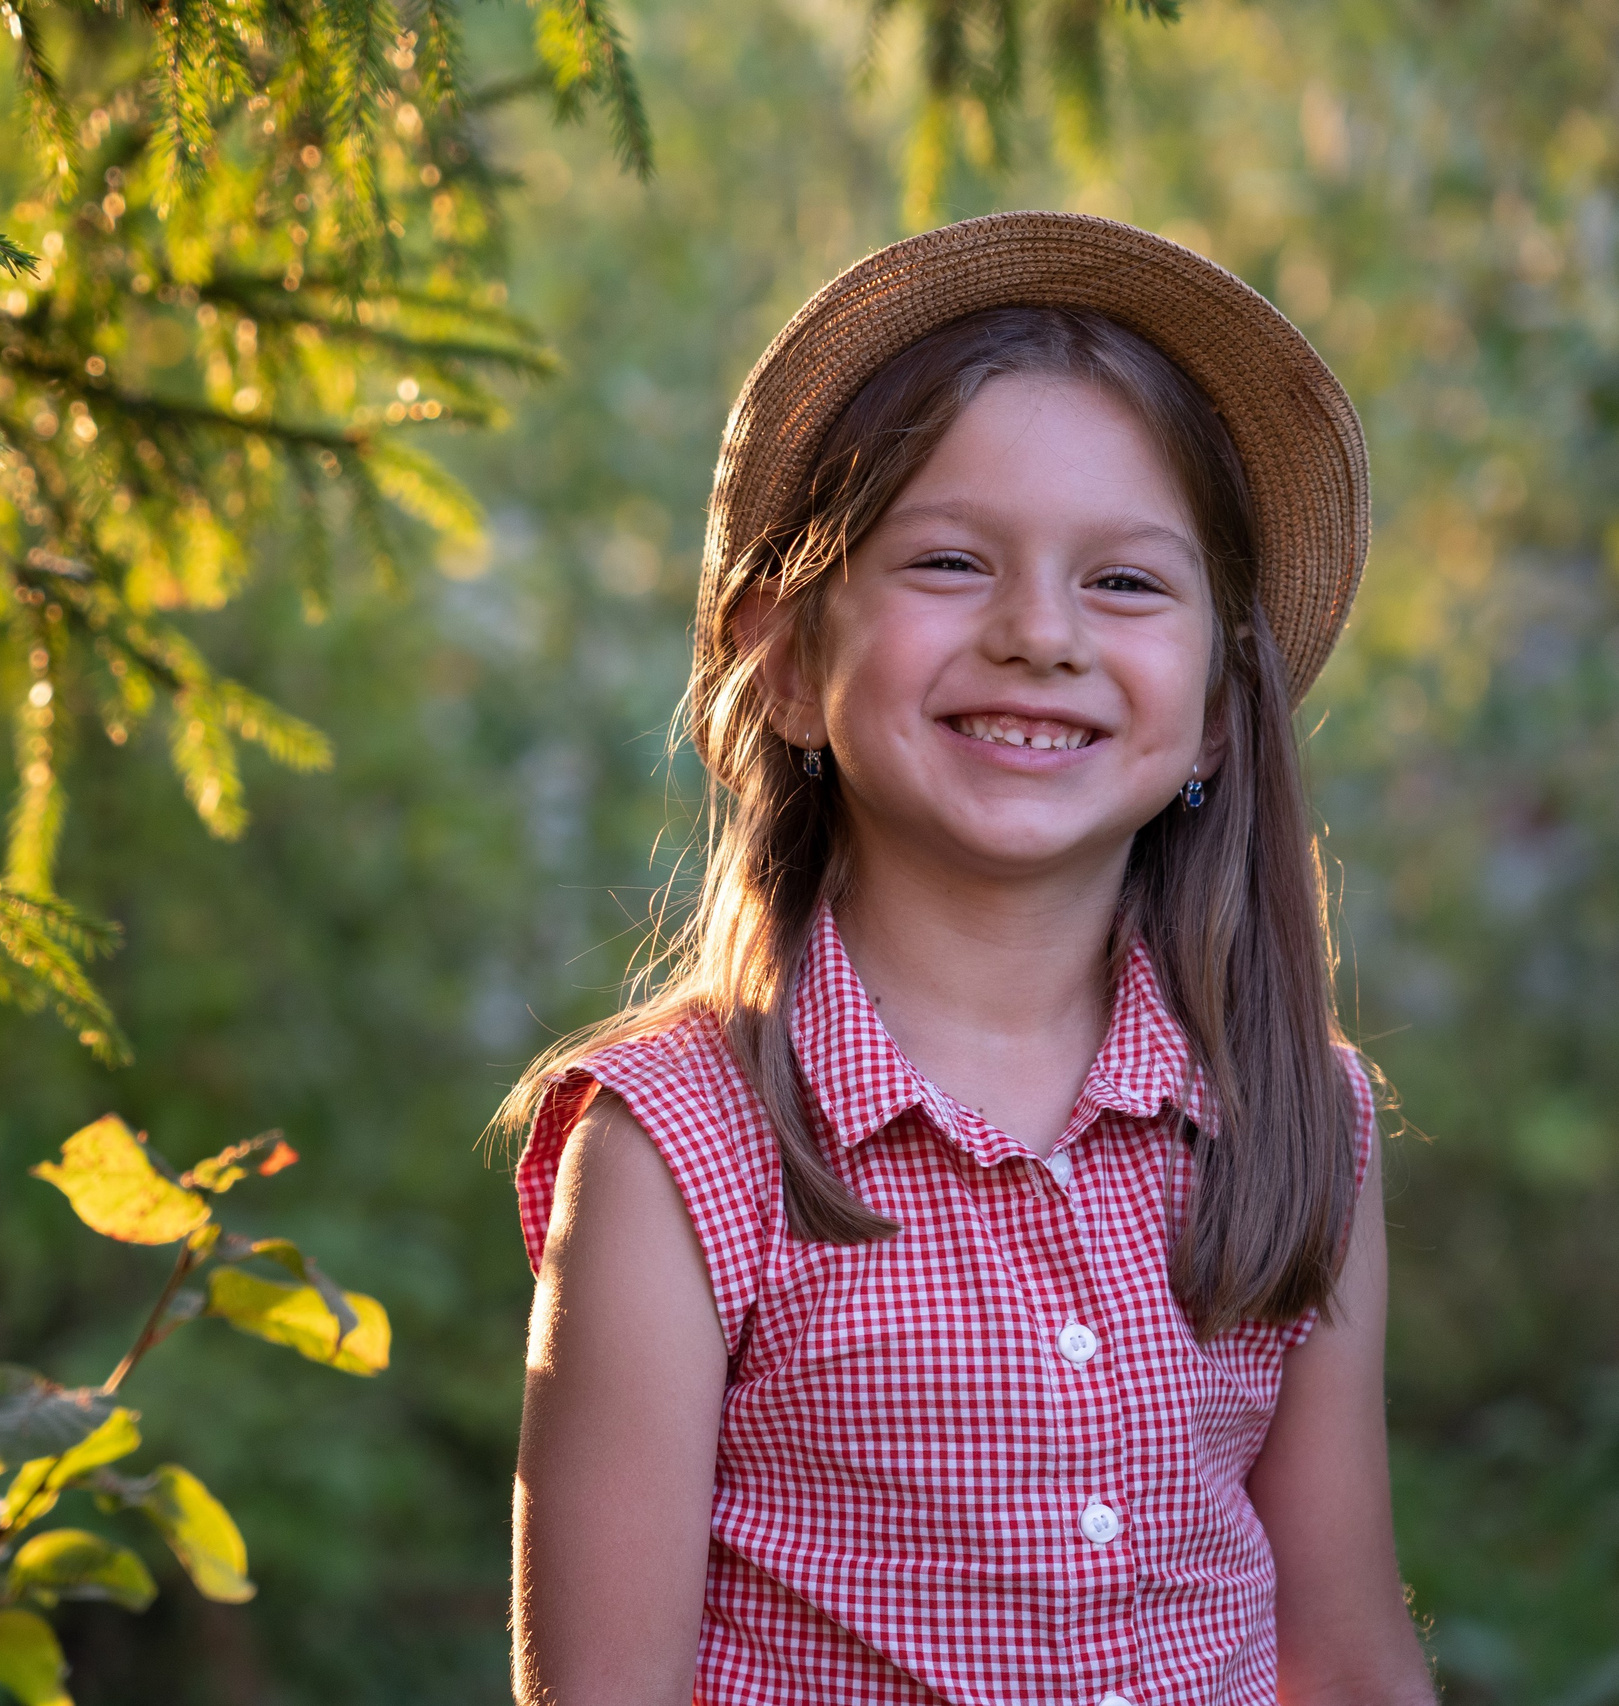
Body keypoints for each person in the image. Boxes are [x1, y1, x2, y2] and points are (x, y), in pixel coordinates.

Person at [502, 213, 1436, 1705]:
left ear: (1213, 712)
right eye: (950, 559)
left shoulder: (1298, 1119)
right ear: (793, 663)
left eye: (1126, 584)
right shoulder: (678, 1147)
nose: (1040, 634)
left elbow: (1342, 1650)